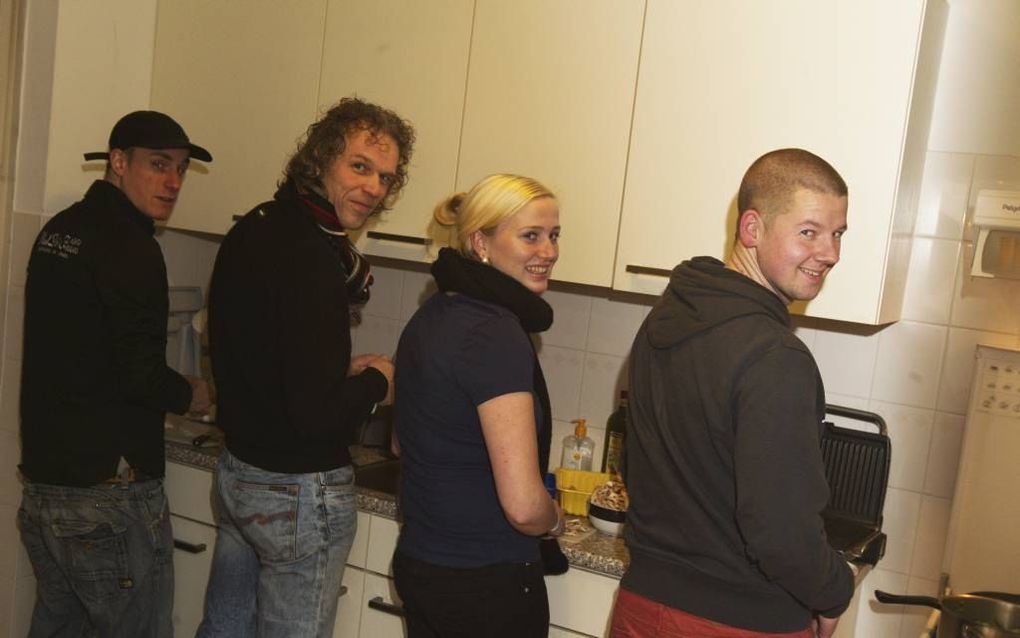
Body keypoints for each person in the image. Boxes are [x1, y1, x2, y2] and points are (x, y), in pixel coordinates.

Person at [611, 148, 857, 638]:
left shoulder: (666, 316)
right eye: (808, 232)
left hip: (642, 607)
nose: (829, 253)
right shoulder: (776, 357)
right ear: (752, 229)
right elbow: (781, 533)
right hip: (735, 621)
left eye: (837, 234)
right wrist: (835, 588)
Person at [198, 97, 415, 638]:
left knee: (223, 631)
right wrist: (375, 382)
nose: (373, 188)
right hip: (296, 491)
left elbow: (267, 356)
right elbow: (317, 416)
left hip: (240, 474)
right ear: (320, 162)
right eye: (360, 167)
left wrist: (340, 369)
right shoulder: (314, 259)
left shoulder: (257, 226)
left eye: (385, 177)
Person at [18, 110, 213, 637]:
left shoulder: (59, 232)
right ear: (118, 163)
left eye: (180, 169)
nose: (172, 182)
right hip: (107, 495)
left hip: (45, 492)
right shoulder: (133, 247)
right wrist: (193, 393)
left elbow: (83, 352)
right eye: (158, 165)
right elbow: (140, 375)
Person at [392, 174, 567, 638]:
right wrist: (554, 518)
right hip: (486, 581)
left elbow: (399, 442)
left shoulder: (433, 314)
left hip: (424, 564)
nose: (548, 251)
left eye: (553, 235)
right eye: (530, 235)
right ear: (480, 242)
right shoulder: (495, 332)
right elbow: (523, 507)